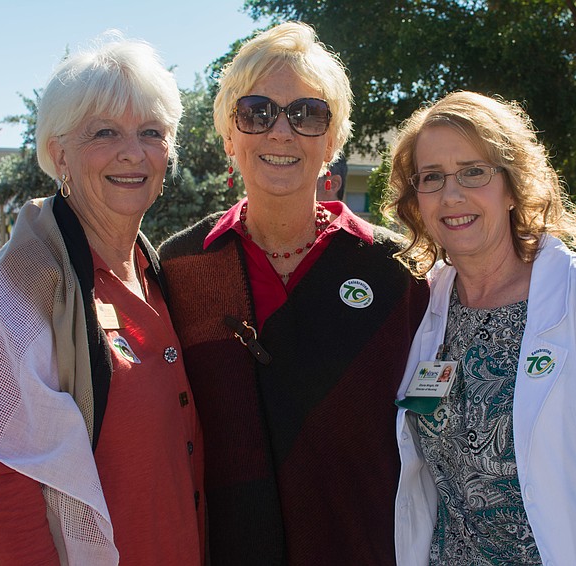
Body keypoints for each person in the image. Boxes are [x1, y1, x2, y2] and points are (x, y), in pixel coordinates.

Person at [386, 91, 576, 565]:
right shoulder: (425, 304)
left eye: (474, 171)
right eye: (432, 178)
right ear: (417, 200)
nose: (452, 195)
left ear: (512, 186)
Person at [158, 21, 429, 565]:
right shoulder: (182, 266)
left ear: (331, 141)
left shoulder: (399, 270)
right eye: (256, 112)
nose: (281, 132)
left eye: (307, 114)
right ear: (230, 136)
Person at [0, 33, 205, 565]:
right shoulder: (16, 288)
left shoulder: (157, 273)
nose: (133, 151)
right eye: (105, 132)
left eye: (151, 132)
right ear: (59, 154)